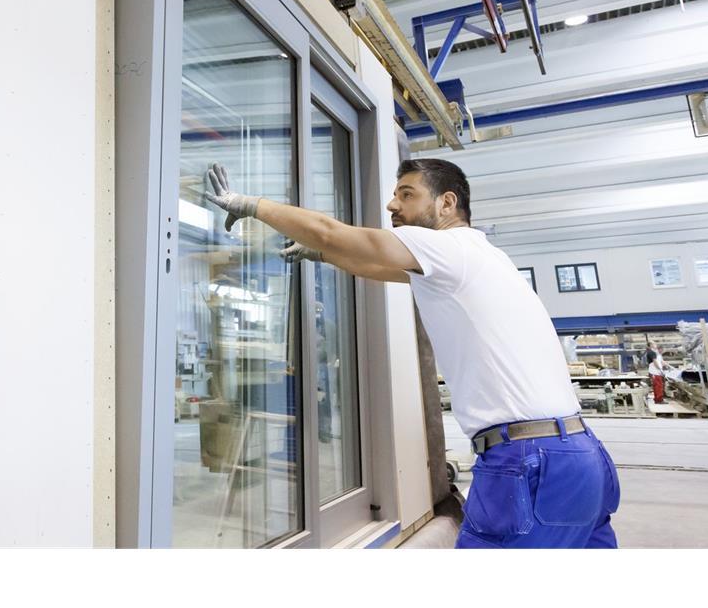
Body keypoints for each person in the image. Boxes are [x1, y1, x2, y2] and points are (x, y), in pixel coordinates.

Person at [204, 158, 621, 548]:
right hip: (582, 455)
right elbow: (371, 264)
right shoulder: (483, 256)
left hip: (531, 461)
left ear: (446, 203)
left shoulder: (449, 247)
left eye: (406, 194)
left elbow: (337, 234)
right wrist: (324, 255)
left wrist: (251, 205)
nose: (392, 204)